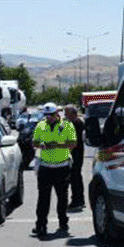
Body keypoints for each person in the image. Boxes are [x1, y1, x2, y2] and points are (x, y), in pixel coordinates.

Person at [31, 102, 77, 238]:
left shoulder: (67, 125)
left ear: (57, 113)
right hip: (45, 167)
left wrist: (56, 145)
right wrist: (42, 145)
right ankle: (40, 225)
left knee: (62, 198)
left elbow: (73, 143)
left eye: (51, 114)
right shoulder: (41, 125)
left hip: (61, 167)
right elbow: (35, 142)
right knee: (43, 199)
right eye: (46, 115)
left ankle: (63, 222)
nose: (49, 117)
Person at [63, 104, 86, 211]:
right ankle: (80, 199)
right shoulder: (76, 122)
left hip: (75, 154)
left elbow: (72, 141)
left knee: (74, 177)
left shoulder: (75, 123)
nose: (65, 115)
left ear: (73, 113)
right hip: (77, 153)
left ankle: (77, 201)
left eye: (66, 113)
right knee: (76, 177)